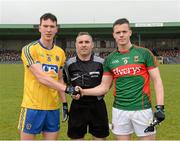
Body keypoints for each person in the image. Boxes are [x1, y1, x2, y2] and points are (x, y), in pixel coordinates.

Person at [78, 18, 165, 140]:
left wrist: (160, 107)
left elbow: (157, 80)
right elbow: (104, 87)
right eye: (118, 32)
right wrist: (82, 91)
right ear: (114, 35)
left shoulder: (144, 53)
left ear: (130, 32)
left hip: (142, 109)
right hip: (119, 111)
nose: (121, 35)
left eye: (124, 31)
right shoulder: (109, 59)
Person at [17, 13, 77, 140]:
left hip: (53, 108)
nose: (48, 30)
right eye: (45, 26)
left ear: (56, 29)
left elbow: (59, 78)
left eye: (52, 26)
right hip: (32, 107)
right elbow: (42, 78)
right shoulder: (29, 49)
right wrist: (67, 89)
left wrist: (64, 103)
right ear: (39, 28)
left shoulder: (60, 52)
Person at [64, 32, 109, 140]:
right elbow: (64, 83)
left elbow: (107, 85)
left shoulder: (102, 63)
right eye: (80, 42)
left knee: (100, 138)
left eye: (87, 42)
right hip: (77, 106)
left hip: (98, 105)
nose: (84, 45)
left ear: (92, 45)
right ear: (76, 45)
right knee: (76, 138)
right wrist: (71, 92)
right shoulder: (68, 64)